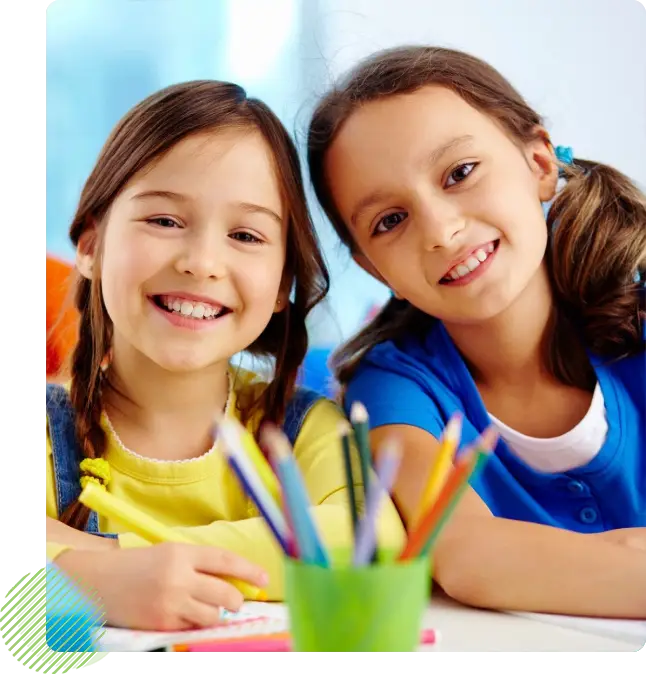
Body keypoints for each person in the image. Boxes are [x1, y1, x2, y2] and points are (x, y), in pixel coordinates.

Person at [45, 80, 405, 630]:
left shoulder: (305, 429)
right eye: (165, 221)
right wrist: (86, 585)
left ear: (284, 281)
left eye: (245, 235)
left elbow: (370, 535)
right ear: (91, 248)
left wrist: (102, 563)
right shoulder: (48, 436)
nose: (202, 261)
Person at [306, 46, 646, 618]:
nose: (441, 230)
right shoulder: (394, 389)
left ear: (540, 164)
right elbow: (467, 558)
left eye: (460, 174)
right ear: (371, 266)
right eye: (390, 220)